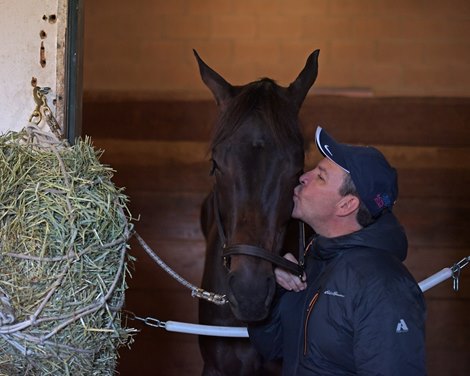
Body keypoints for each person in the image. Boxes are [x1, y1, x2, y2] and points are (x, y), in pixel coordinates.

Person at [248, 126, 426, 375]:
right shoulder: (316, 257)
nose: (303, 177)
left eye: (320, 176)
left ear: (346, 204)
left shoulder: (383, 286)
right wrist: (273, 288)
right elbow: (274, 348)